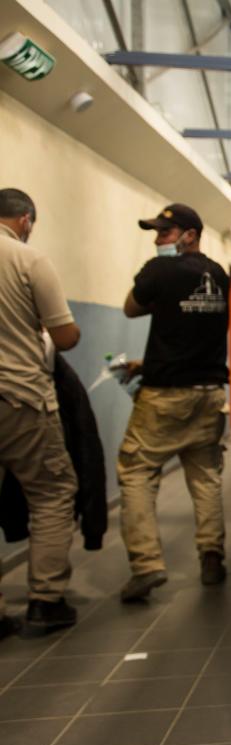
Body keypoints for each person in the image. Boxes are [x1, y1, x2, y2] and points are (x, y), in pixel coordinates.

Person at [118, 203, 230, 602]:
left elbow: (131, 308)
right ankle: (212, 554)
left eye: (164, 233)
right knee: (205, 476)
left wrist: (157, 296)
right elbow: (191, 336)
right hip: (211, 394)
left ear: (189, 235)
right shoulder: (217, 275)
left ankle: (146, 565)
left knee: (136, 470)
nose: (157, 240)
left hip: (165, 396)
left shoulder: (158, 270)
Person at [0, 188, 81, 638]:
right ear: (26, 220)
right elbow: (64, 336)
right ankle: (45, 600)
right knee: (51, 492)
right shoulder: (28, 260)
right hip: (19, 398)